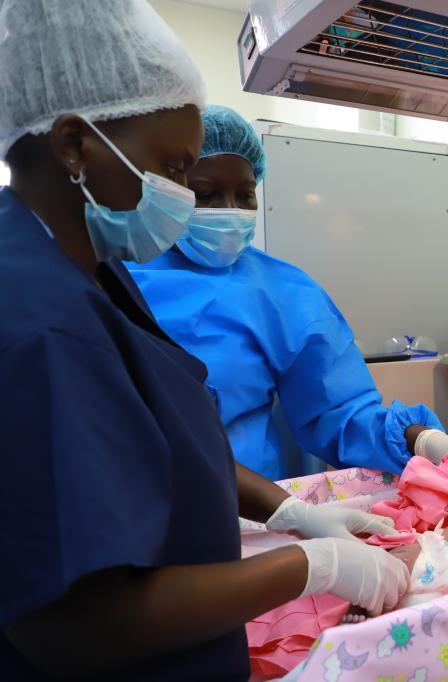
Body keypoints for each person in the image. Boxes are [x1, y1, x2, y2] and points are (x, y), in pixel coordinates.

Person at [0, 2, 410, 679]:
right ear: (74, 145)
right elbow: (78, 624)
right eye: (175, 167)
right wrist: (309, 566)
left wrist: (290, 512)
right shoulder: (42, 326)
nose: (184, 198)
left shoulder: (92, 271)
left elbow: (173, 441)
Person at [127, 104, 448, 481]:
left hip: (256, 509)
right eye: (205, 194)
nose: (230, 212)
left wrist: (427, 441)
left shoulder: (280, 290)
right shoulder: (117, 275)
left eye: (245, 195)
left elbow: (341, 411)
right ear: (167, 190)